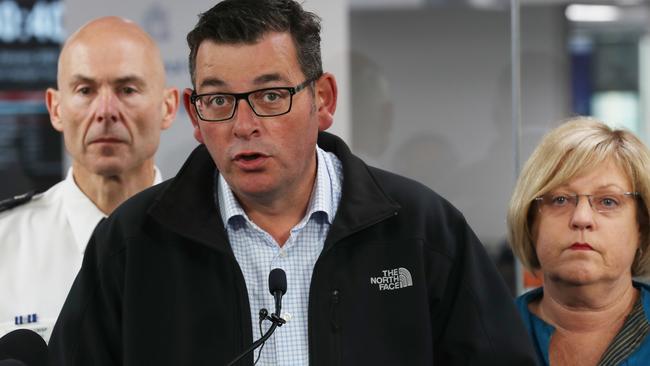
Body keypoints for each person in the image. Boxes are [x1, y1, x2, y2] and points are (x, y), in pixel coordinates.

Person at [49, 1, 537, 365]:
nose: (244, 125)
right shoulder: (133, 242)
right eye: (219, 101)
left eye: (270, 95)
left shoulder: (421, 230)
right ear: (196, 118)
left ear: (322, 100)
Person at [0, 16, 179, 342]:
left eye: (127, 89)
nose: (106, 110)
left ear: (168, 107)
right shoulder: (5, 243)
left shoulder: (218, 237)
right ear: (56, 109)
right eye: (85, 90)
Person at [508, 117, 650, 365]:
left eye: (608, 201)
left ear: (642, 227)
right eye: (560, 200)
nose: (581, 218)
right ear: (530, 223)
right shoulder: (486, 332)